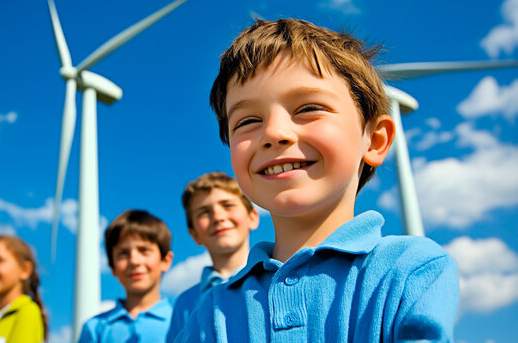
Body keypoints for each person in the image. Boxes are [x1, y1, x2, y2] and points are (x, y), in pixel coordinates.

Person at [175, 18, 459, 342]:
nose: (273, 133)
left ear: (376, 140)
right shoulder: (211, 313)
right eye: (248, 120)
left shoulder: (411, 270)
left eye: (309, 108)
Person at [166, 172, 259, 343]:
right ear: (194, 235)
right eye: (204, 212)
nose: (217, 217)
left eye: (228, 205)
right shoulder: (185, 303)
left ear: (252, 217)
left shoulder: (273, 281)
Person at [78, 209, 174, 343]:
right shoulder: (95, 328)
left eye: (144, 250)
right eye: (123, 253)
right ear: (112, 267)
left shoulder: (184, 320)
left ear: (165, 261)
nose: (134, 261)